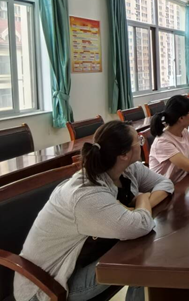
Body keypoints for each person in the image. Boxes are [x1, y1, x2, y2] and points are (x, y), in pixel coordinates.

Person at [14, 121, 174, 301]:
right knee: (141, 260)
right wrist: (143, 199)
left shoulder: (127, 168)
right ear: (124, 154)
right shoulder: (86, 193)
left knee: (144, 249)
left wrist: (142, 205)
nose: (142, 142)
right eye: (139, 141)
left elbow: (165, 183)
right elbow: (141, 224)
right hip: (54, 281)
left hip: (89, 256)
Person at [149, 95, 189, 183]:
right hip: (166, 188)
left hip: (183, 180)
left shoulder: (183, 132)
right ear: (181, 118)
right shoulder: (162, 142)